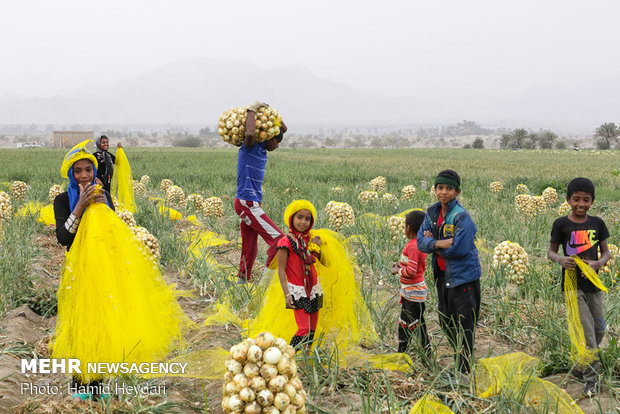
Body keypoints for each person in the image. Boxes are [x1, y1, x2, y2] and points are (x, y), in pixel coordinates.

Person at [52, 140, 188, 400]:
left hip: (104, 268)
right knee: (81, 322)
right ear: (70, 173)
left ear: (94, 171)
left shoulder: (105, 196)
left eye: (88, 170)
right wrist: (80, 206)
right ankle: (80, 386)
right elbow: (63, 238)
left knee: (103, 321)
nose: (84, 175)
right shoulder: (62, 201)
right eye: (78, 171)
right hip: (78, 271)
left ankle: (98, 385)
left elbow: (113, 233)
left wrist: (102, 206)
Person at [547, 177, 610, 396]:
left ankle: (580, 366)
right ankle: (591, 380)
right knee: (588, 333)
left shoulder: (598, 223)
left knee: (600, 328)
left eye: (586, 200)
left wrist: (599, 263)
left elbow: (607, 251)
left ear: (592, 201)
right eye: (576, 199)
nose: (580, 204)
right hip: (572, 286)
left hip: (593, 284)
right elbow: (551, 251)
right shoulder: (561, 224)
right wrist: (560, 260)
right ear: (568, 200)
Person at [417, 169, 481, 375]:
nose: (444, 192)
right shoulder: (432, 214)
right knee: (445, 319)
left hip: (463, 278)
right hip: (443, 275)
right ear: (435, 190)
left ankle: (465, 368)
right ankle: (460, 354)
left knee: (465, 323)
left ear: (457, 192)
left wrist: (432, 243)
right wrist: (441, 243)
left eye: (449, 188)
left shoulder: (462, 217)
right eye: (440, 187)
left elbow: (459, 249)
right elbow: (420, 242)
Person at [234, 102, 287, 281]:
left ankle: (242, 280)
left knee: (249, 247)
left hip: (252, 203)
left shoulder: (263, 151)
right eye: (276, 141)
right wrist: (252, 110)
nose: (278, 146)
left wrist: (272, 115)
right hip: (246, 203)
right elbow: (249, 133)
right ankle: (266, 283)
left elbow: (284, 129)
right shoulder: (250, 148)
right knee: (279, 241)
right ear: (268, 137)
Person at [276, 200, 323, 348]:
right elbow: (281, 270)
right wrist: (287, 294)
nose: (303, 222)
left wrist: (316, 247)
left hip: (314, 289)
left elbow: (322, 261)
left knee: (312, 329)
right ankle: (288, 355)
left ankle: (306, 362)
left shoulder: (310, 240)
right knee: (304, 328)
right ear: (291, 218)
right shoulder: (286, 242)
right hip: (298, 291)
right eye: (299, 217)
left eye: (307, 219)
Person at [392, 210, 430, 358]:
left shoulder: (413, 246)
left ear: (408, 228)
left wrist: (398, 271)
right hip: (415, 291)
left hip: (413, 293)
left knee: (404, 324)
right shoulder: (419, 244)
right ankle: (427, 352)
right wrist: (401, 267)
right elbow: (417, 267)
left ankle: (401, 354)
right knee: (419, 323)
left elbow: (412, 271)